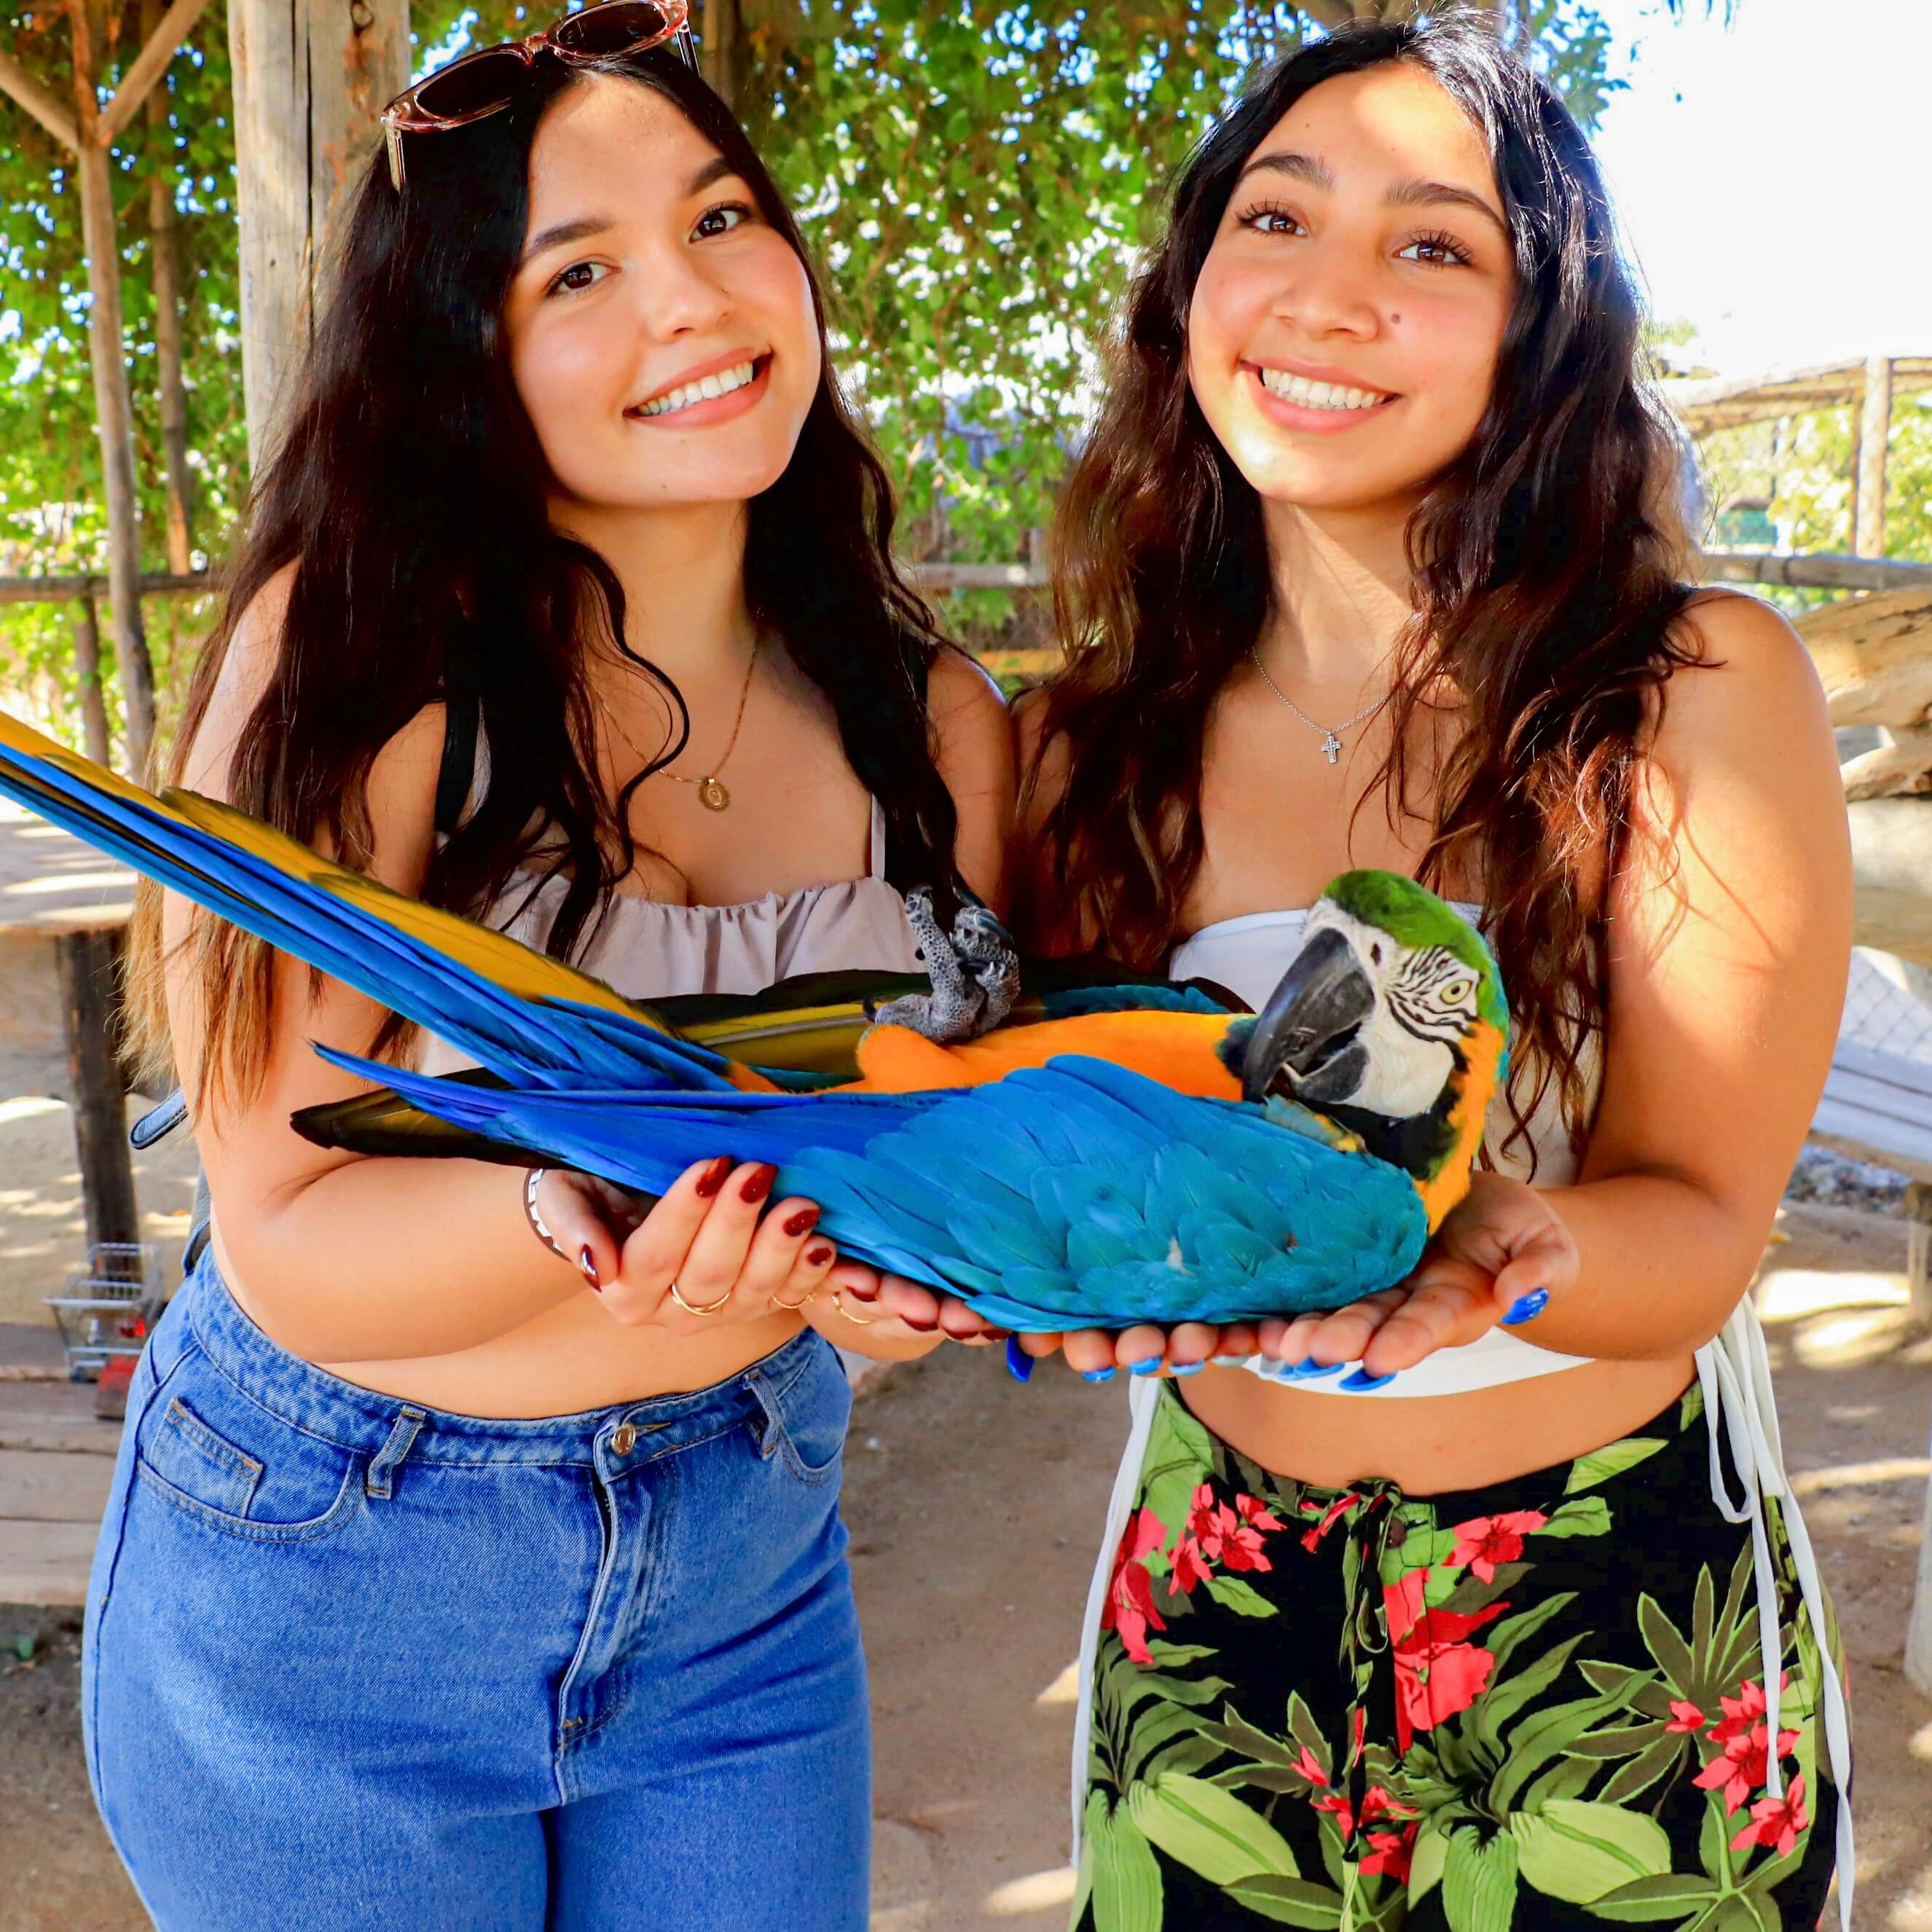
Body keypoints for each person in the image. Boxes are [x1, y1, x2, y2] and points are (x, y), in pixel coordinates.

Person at [87, 13, 1012, 1928]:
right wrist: (584, 1193)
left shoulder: (935, 724)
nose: (691, 298)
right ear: (463, 349)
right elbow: (285, 1230)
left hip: (738, 1583)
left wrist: (900, 1285)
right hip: (333, 1570)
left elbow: (927, 1178)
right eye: (578, 267)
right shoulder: (356, 661)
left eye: (722, 215)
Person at [1014, 20, 1853, 1928]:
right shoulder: (1085, 742)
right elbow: (1052, 1162)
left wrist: (1492, 1240)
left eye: (1430, 248)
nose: (1328, 298)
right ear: (1190, 284)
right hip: (1212, 1589)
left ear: (1537, 330)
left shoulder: (1686, 690)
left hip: (1604, 1602)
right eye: (1276, 217)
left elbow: (1702, 1225)